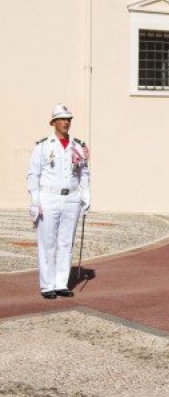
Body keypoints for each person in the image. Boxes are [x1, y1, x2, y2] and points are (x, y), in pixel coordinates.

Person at [26, 104, 91, 299]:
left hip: (71, 198)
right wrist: (35, 201)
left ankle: (61, 283)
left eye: (69, 119)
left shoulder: (78, 146)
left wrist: (85, 196)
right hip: (49, 197)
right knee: (47, 243)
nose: (66, 122)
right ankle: (47, 285)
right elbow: (33, 175)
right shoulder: (43, 146)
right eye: (62, 119)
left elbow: (84, 173)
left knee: (66, 242)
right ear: (54, 122)